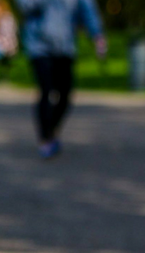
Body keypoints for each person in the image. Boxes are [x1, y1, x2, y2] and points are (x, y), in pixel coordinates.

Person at [15, 0, 107, 159]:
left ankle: (51, 129)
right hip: (39, 46)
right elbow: (25, 6)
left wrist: (97, 35)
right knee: (46, 89)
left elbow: (87, 9)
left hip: (65, 46)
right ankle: (45, 139)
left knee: (65, 94)